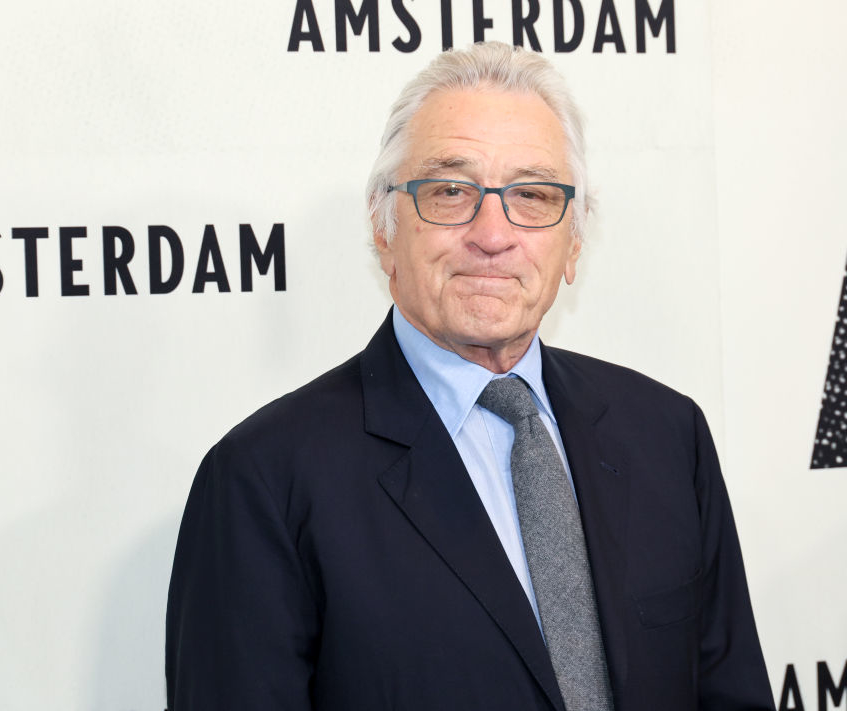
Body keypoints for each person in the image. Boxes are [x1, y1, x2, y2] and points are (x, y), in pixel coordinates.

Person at [166, 42, 773, 711]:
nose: (493, 233)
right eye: (451, 191)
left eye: (533, 194)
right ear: (383, 225)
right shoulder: (263, 481)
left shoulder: (666, 434)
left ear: (574, 241)